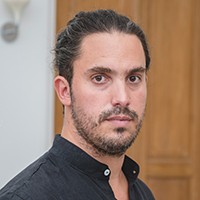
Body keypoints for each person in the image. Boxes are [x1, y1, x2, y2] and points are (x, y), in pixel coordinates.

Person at [0, 9, 155, 200]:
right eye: (99, 78)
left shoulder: (143, 193)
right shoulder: (26, 196)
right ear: (64, 91)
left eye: (133, 78)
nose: (123, 98)